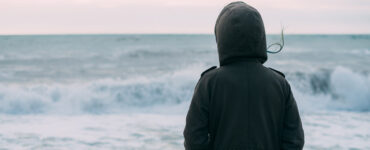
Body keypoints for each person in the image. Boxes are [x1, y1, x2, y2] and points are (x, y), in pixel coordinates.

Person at [183, 1, 304, 150]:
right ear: (260, 36)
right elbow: (294, 141)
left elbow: (194, 139)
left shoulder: (209, 83)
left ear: (221, 37)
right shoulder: (279, 84)